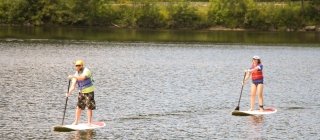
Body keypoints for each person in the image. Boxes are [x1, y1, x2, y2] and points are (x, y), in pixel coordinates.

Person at [66, 60, 96, 125]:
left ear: (82, 65)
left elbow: (82, 78)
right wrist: (69, 92)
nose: (77, 67)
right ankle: (76, 122)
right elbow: (73, 85)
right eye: (76, 65)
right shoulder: (76, 74)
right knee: (78, 107)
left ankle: (89, 123)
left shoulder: (86, 71)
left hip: (89, 91)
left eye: (79, 65)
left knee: (89, 107)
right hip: (81, 92)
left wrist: (73, 77)